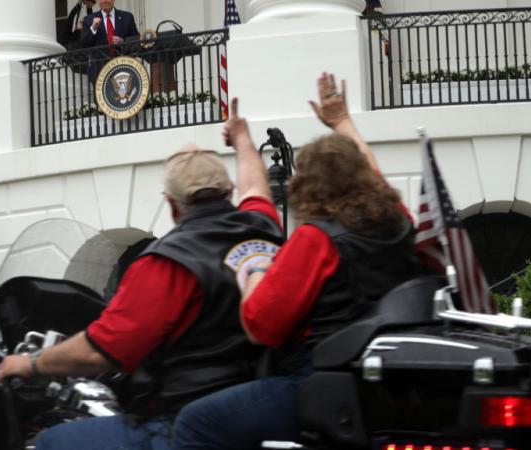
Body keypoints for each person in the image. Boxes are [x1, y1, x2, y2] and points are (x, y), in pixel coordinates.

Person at [0, 98, 283, 450]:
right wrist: (242, 141)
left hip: (181, 420)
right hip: (251, 410)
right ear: (227, 192)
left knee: (52, 441)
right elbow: (256, 187)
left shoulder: (167, 262)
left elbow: (100, 351)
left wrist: (31, 364)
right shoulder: (262, 227)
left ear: (173, 205)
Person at [171, 73, 425, 449]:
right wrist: (342, 122)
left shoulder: (317, 239)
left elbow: (261, 326)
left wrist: (255, 273)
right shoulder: (399, 220)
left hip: (322, 379)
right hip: (384, 381)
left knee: (194, 424)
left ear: (308, 185)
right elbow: (370, 168)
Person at [79, 0, 140, 84]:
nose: (104, 1)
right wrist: (93, 28)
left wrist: (123, 41)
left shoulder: (127, 17)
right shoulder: (89, 20)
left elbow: (136, 41)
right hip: (100, 72)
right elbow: (83, 44)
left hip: (124, 68)